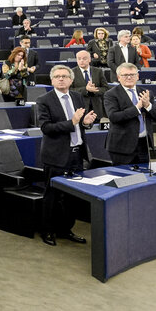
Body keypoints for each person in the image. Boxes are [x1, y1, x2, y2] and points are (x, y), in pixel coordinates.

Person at [36, 65, 96, 246]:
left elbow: (81, 125)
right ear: (52, 80)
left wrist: (85, 123)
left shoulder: (77, 97)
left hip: (76, 154)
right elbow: (46, 128)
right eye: (57, 76)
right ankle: (47, 230)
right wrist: (73, 122)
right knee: (52, 196)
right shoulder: (44, 100)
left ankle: (65, 229)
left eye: (64, 76)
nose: (61, 79)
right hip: (56, 156)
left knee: (71, 198)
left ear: (71, 80)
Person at [104, 63, 156, 166]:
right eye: (125, 75)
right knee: (126, 179)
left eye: (132, 74)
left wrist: (148, 105)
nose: (129, 77)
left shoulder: (146, 92)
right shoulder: (111, 94)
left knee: (145, 178)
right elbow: (114, 117)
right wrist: (137, 107)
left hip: (144, 145)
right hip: (122, 146)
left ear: (137, 76)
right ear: (118, 77)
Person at [71, 49, 109, 120]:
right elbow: (69, 90)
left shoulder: (98, 71)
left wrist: (95, 90)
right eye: (79, 59)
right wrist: (86, 89)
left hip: (97, 107)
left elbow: (106, 88)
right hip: (80, 107)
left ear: (89, 60)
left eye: (84, 58)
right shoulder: (71, 73)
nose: (81, 60)